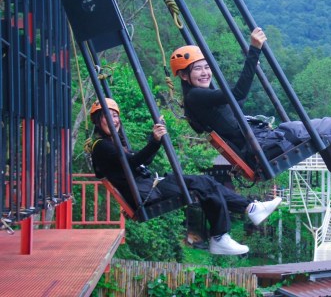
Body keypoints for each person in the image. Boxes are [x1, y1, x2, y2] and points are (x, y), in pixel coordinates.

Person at [170, 28, 331, 200]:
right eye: (197, 70)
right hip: (263, 146)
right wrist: (253, 51)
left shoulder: (198, 98)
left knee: (327, 136)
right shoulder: (196, 97)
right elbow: (238, 94)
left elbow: (230, 99)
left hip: (261, 142)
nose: (205, 73)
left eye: (206, 67)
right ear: (183, 76)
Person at [88, 98, 282, 256]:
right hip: (147, 193)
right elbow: (133, 162)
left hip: (150, 187)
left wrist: (153, 143)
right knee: (205, 184)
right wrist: (154, 140)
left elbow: (139, 161)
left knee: (207, 184)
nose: (113, 120)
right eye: (107, 116)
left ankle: (245, 212)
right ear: (98, 120)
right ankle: (226, 230)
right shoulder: (102, 146)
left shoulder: (113, 144)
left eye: (115, 116)